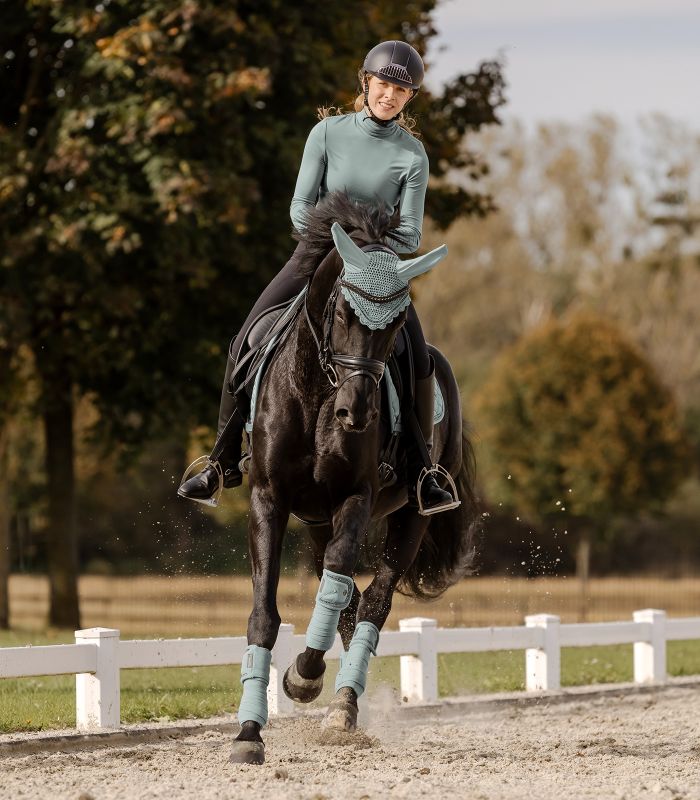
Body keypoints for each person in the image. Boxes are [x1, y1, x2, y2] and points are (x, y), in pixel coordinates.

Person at [178, 40, 455, 513]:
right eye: (384, 84)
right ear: (366, 83)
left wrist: (367, 240)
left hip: (376, 268)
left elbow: (409, 235)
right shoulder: (327, 133)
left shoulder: (413, 157)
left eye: (401, 90)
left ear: (410, 98)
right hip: (315, 256)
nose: (390, 95)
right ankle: (221, 461)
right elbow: (300, 206)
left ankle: (424, 469)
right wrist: (335, 233)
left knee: (419, 357)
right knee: (246, 338)